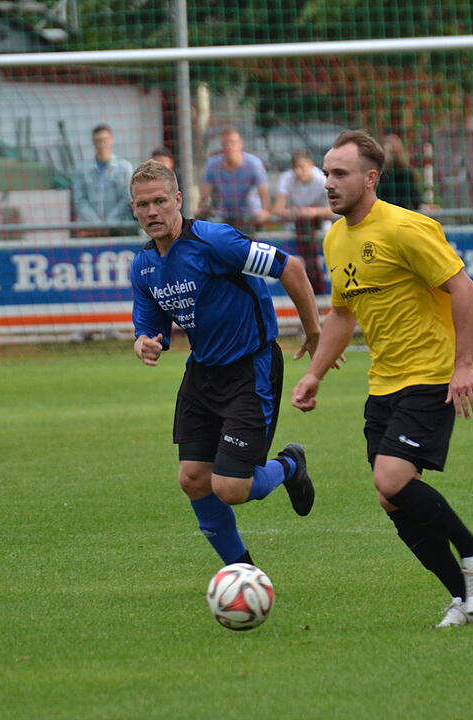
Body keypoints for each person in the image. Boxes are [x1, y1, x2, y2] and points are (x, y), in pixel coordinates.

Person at [292, 130, 473, 628]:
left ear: (370, 178)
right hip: (383, 381)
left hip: (431, 373)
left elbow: (464, 290)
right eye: (326, 172)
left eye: (340, 173)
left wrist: (464, 365)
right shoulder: (335, 238)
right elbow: (343, 314)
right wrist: (315, 372)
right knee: (391, 498)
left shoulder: (407, 229)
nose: (328, 183)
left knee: (391, 477)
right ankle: (467, 600)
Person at [129, 159, 322, 567]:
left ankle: (289, 465)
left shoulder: (215, 242)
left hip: (250, 367)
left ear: (178, 200)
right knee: (194, 479)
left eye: (160, 201)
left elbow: (289, 267)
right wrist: (143, 343)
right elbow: (150, 328)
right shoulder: (144, 266)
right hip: (203, 372)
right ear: (133, 209)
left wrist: (313, 330)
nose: (152, 212)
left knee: (231, 487)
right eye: (142, 205)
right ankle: (242, 575)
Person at [272, 150, 334, 295]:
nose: (299, 172)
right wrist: (295, 212)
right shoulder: (287, 179)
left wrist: (313, 212)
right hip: (297, 223)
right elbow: (277, 209)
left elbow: (334, 209)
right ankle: (310, 285)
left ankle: (316, 285)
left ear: (311, 165)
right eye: (296, 168)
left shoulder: (321, 179)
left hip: (318, 221)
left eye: (302, 167)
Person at [197, 127, 270, 236]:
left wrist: (265, 211)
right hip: (224, 213)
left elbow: (264, 194)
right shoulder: (212, 164)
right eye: (225, 143)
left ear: (241, 144)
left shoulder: (253, 164)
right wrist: (201, 209)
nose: (229, 146)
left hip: (249, 214)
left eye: (233, 142)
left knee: (244, 241)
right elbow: (205, 195)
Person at [71, 124, 135, 236]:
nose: (101, 144)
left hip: (119, 229)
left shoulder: (125, 167)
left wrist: (108, 223)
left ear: (111, 140)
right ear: (93, 142)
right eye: (98, 140)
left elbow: (127, 198)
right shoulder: (81, 169)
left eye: (104, 140)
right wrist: (97, 223)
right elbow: (79, 200)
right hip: (90, 229)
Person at [376, 132, 423, 211]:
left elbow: (415, 200)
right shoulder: (379, 174)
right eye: (386, 151)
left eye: (390, 152)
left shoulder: (406, 173)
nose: (387, 156)